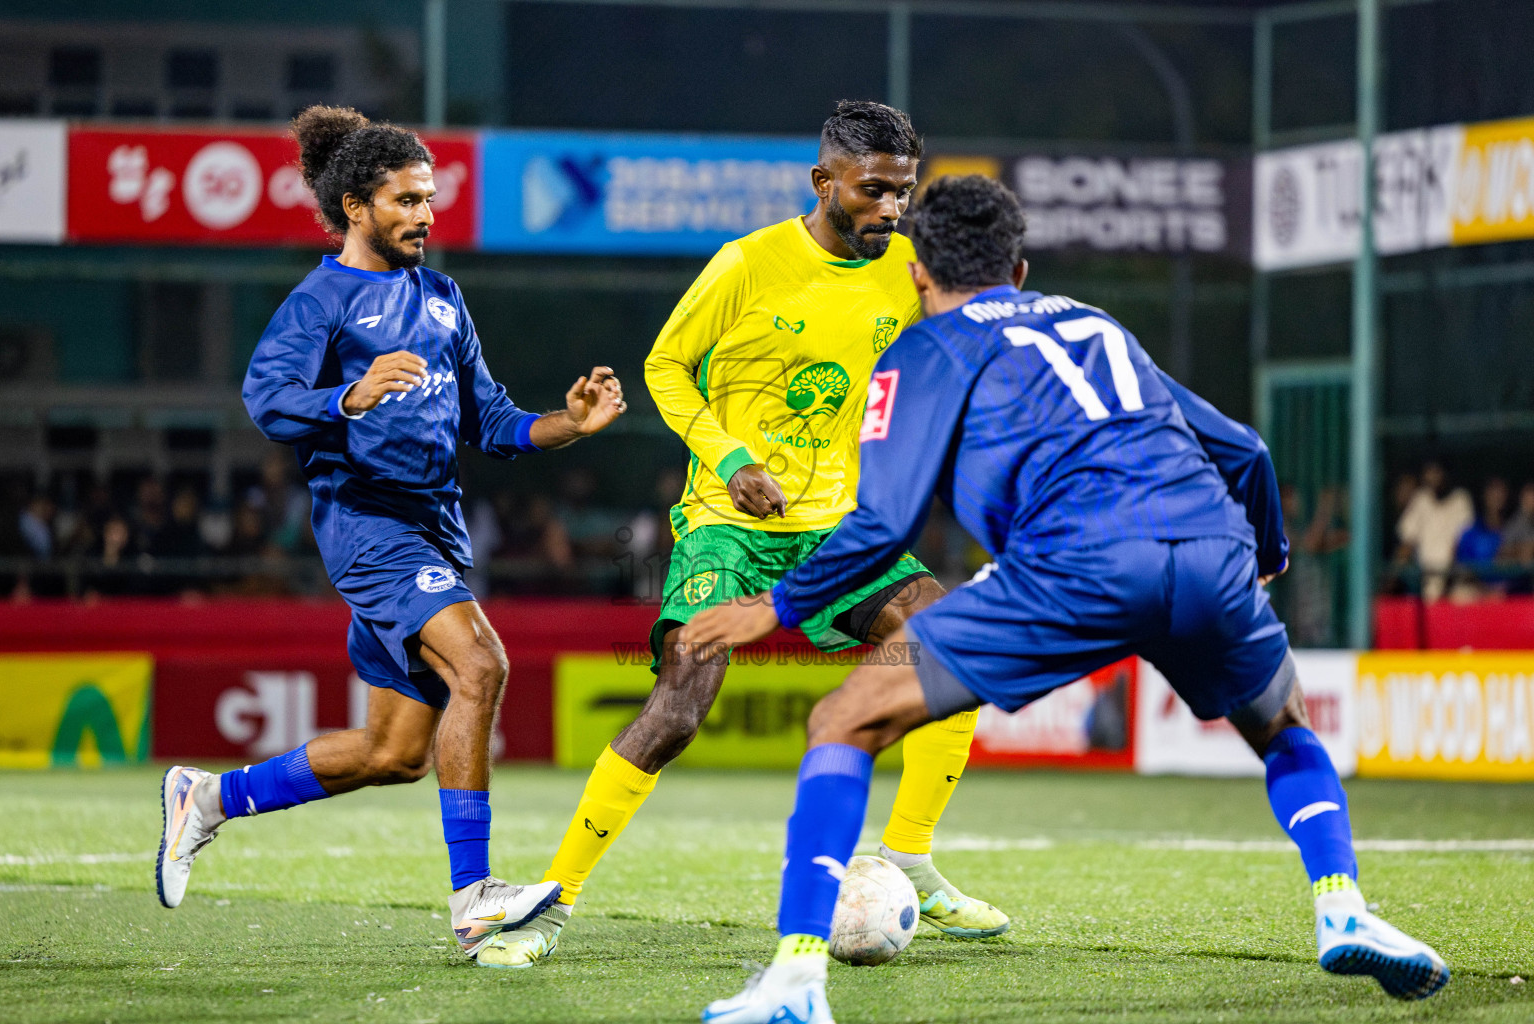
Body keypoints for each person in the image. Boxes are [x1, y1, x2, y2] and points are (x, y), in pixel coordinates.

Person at [682, 175, 1449, 1022]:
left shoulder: (921, 350)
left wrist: (776, 606)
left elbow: (884, 521)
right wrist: (1264, 557)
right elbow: (1247, 450)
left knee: (844, 720)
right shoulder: (1094, 322)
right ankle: (1342, 904)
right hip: (1206, 550)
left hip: (1072, 563)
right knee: (1283, 727)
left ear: (917, 276)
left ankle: (794, 982)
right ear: (1019, 269)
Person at [488, 101, 1007, 968]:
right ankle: (549, 905)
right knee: (680, 709)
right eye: (873, 190)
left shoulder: (908, 271)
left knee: (954, 645)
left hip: (839, 526)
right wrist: (729, 460)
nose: (889, 209)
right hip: (727, 524)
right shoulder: (748, 264)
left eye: (902, 192)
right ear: (824, 181)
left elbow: (947, 368)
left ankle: (909, 852)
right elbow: (664, 364)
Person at [155, 105, 627, 963]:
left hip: (434, 530)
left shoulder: (442, 299)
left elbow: (493, 420)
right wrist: (348, 395)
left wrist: (571, 423)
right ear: (357, 206)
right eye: (406, 199)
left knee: (394, 752)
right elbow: (266, 399)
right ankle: (476, 900)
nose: (425, 214)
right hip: (367, 524)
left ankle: (210, 798)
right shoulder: (320, 300)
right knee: (481, 663)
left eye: (429, 198)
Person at [1394, 461, 1473, 602]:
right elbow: (1407, 542)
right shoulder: (1420, 499)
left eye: (1437, 472)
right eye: (1429, 472)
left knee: (1465, 595)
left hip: (1455, 582)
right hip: (1425, 582)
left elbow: (1462, 543)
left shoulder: (1461, 499)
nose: (1433, 477)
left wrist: (1448, 575)